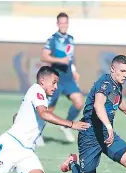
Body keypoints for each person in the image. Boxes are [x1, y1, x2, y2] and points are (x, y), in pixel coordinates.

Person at [40, 12, 83, 144]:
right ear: (57, 24)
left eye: (66, 22)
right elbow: (44, 56)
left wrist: (74, 70)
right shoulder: (52, 40)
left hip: (69, 78)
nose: (64, 25)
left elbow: (70, 58)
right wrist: (60, 60)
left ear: (68, 24)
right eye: (61, 22)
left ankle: (65, 126)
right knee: (48, 110)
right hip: (56, 79)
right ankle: (37, 133)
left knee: (79, 102)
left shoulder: (70, 39)